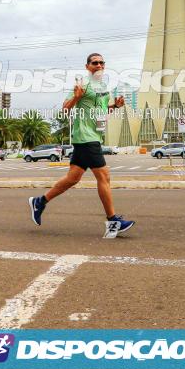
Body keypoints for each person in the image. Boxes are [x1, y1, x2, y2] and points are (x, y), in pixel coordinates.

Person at [28, 53, 134, 234]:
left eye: (101, 62)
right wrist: (76, 97)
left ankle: (40, 202)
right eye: (95, 63)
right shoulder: (82, 84)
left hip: (93, 135)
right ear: (87, 66)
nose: (99, 65)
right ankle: (112, 222)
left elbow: (100, 108)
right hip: (86, 137)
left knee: (73, 178)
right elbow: (65, 108)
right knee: (104, 177)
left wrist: (115, 106)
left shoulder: (102, 86)